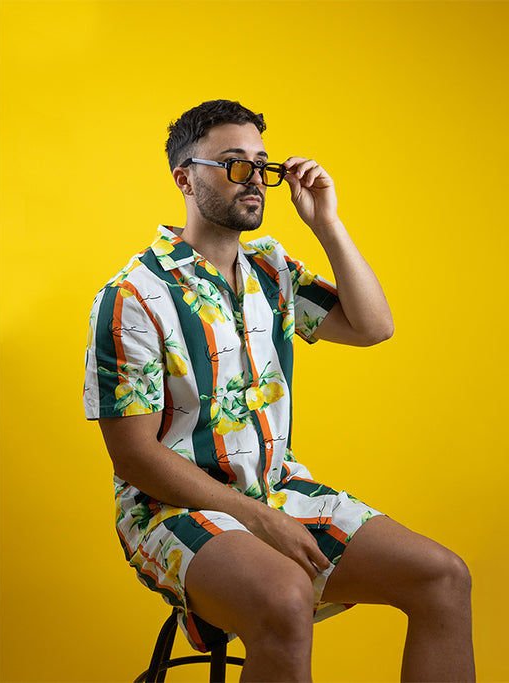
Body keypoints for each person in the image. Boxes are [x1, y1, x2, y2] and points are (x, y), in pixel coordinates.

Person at [83, 100, 474, 680]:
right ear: (184, 178)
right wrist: (259, 522)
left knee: (444, 576)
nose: (256, 180)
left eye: (262, 165)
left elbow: (373, 327)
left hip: (275, 488)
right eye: (234, 163)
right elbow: (134, 455)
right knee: (285, 599)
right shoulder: (134, 294)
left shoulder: (273, 270)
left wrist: (326, 224)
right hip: (168, 510)